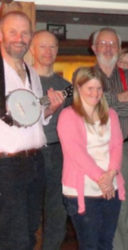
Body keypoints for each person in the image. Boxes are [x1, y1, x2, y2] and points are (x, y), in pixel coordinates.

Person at [0, 11, 64, 249]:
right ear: (1, 35)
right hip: (6, 165)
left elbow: (34, 117)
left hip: (35, 161)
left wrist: (50, 110)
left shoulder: (31, 73)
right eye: (13, 32)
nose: (19, 37)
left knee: (29, 229)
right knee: (12, 235)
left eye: (25, 32)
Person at [57, 66, 125, 249]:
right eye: (90, 88)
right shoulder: (68, 115)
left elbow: (117, 146)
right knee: (90, 245)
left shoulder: (111, 114)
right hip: (84, 190)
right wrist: (102, 179)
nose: (95, 93)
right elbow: (76, 152)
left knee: (106, 244)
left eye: (99, 88)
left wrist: (111, 175)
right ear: (79, 89)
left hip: (111, 187)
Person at [91, 27, 128, 250]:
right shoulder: (83, 74)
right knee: (97, 204)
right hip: (94, 151)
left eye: (113, 44)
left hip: (124, 149)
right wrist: (119, 98)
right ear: (93, 48)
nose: (108, 48)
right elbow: (87, 108)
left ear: (119, 48)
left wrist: (104, 101)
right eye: (103, 43)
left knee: (123, 204)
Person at [30, 30, 71, 250]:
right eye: (43, 46)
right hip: (31, 152)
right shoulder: (24, 81)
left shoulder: (67, 86)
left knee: (57, 209)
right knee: (29, 209)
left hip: (59, 152)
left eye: (53, 46)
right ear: (33, 49)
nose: (48, 51)